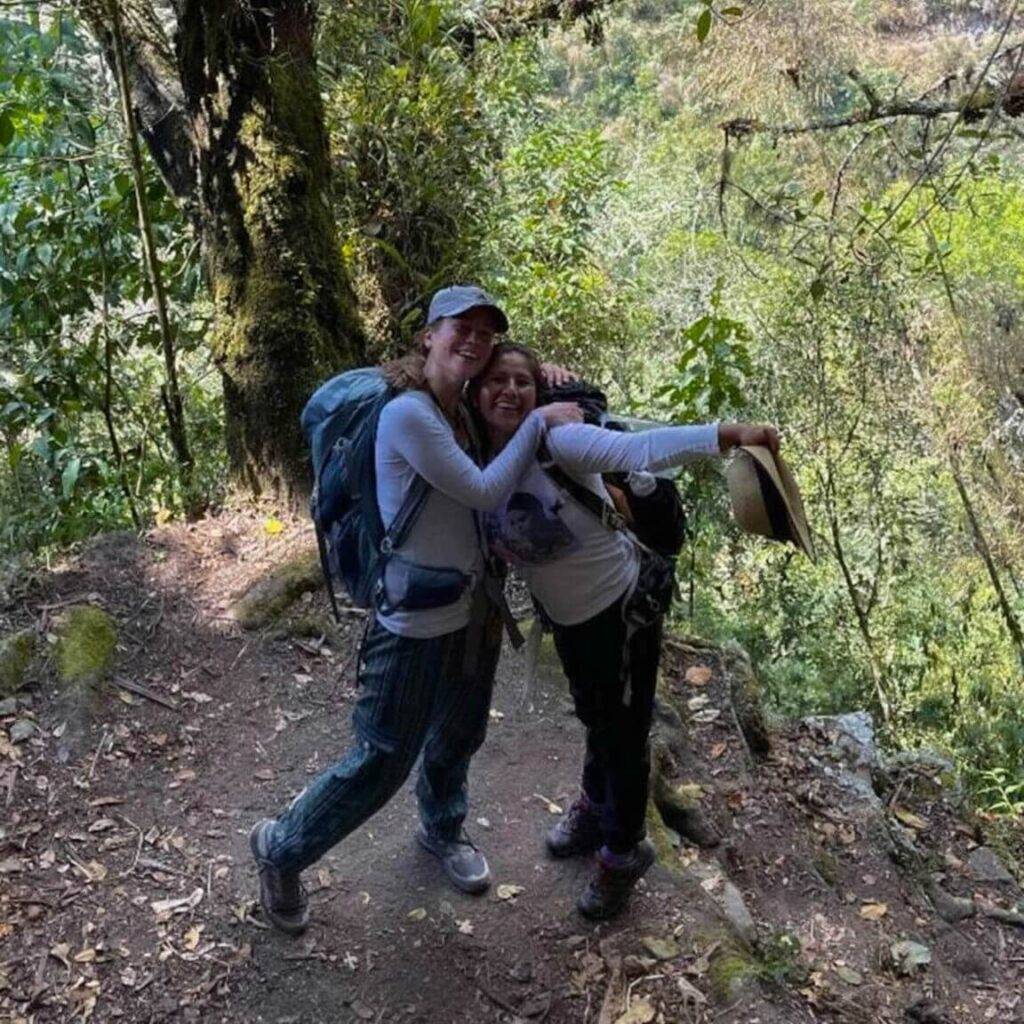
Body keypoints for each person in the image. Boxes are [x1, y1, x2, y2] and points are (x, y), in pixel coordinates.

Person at [249, 288, 582, 935]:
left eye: (487, 335)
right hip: (412, 622)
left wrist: (542, 381)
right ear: (428, 335)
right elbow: (484, 487)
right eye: (463, 329)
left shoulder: (461, 410)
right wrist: (542, 419)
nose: (475, 342)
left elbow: (507, 423)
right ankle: (281, 848)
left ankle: (442, 828)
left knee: (459, 733)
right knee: (382, 758)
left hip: (474, 610)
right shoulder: (410, 415)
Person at [470, 342, 779, 919]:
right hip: (566, 615)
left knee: (624, 731)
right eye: (496, 381)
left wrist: (729, 433)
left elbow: (640, 447)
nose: (509, 391)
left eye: (522, 382)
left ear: (539, 394)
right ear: (473, 391)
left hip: (621, 606)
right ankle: (596, 807)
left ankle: (622, 852)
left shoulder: (558, 440)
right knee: (597, 712)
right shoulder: (472, 454)